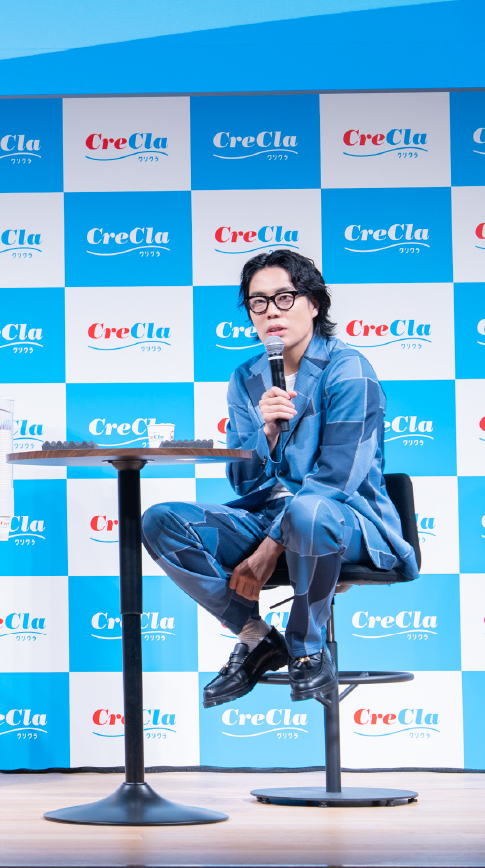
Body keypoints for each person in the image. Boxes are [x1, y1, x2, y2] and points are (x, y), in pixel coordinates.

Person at [142, 249, 416, 708]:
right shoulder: (247, 378)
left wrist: (270, 549)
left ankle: (307, 648)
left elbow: (336, 481)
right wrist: (266, 433)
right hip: (273, 516)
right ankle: (257, 637)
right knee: (161, 520)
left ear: (315, 303)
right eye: (258, 302)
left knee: (310, 511)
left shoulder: (349, 371)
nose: (271, 311)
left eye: (284, 298)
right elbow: (245, 482)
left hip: (348, 522)